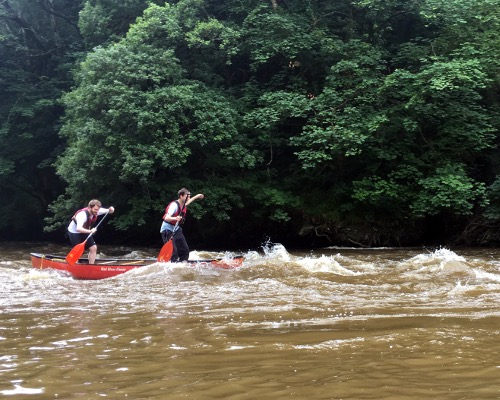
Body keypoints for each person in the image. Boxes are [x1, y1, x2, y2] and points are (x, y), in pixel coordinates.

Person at [160, 188, 204, 262]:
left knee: (185, 250)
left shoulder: (183, 204)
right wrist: (175, 218)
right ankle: (171, 266)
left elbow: (188, 202)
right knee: (173, 252)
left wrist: (197, 196)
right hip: (167, 229)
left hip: (176, 229)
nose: (189, 198)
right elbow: (166, 218)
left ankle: (182, 265)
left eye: (190, 196)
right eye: (188, 196)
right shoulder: (174, 205)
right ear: (181, 196)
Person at [67, 199, 115, 264]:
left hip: (85, 230)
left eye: (98, 209)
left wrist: (111, 209)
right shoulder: (82, 215)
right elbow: (79, 228)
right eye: (95, 209)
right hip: (74, 232)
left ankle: (91, 265)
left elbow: (109, 211)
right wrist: (90, 231)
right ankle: (74, 265)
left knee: (93, 248)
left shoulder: (96, 210)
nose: (97, 211)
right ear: (89, 207)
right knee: (78, 252)